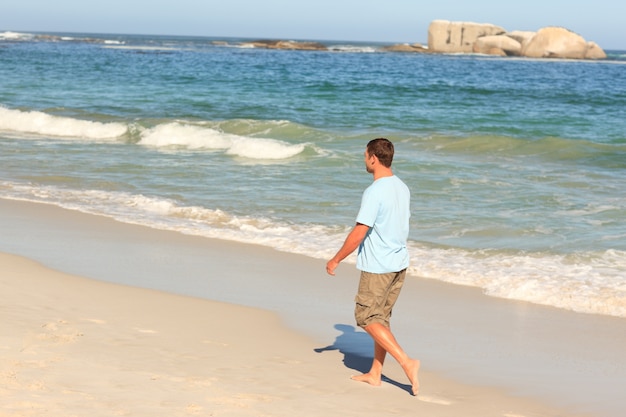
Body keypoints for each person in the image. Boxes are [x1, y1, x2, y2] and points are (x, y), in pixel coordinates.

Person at [326, 138, 420, 396]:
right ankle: (375, 373)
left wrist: (336, 259)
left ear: (373, 159)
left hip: (379, 265)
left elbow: (359, 231)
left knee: (365, 317)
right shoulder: (402, 187)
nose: (364, 159)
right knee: (381, 320)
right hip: (398, 263)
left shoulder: (375, 191)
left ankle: (406, 361)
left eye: (365, 155)